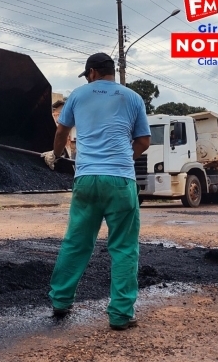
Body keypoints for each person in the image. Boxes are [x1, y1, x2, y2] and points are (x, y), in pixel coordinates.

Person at [41, 52, 151, 330]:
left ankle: (61, 302)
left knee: (76, 242)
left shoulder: (77, 95)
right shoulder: (133, 98)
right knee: (124, 248)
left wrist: (55, 155)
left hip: (87, 179)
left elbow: (61, 133)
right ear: (111, 71)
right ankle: (120, 315)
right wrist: (126, 156)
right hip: (121, 181)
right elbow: (144, 141)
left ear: (91, 72)